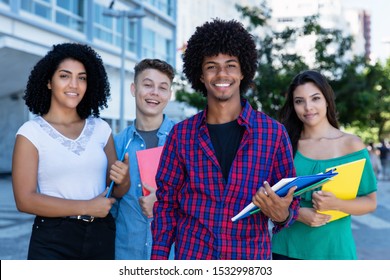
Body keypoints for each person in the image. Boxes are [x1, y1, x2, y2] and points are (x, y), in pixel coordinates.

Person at [151, 19, 300, 260]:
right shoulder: (181, 135)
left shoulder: (273, 134)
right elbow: (166, 205)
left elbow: (291, 202)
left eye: (231, 65)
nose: (222, 74)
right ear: (200, 75)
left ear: (243, 71)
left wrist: (282, 214)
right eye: (212, 66)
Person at [12, 42, 130, 260]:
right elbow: (24, 200)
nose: (74, 85)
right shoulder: (30, 133)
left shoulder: (101, 129)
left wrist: (123, 180)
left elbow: (113, 191)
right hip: (53, 239)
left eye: (82, 77)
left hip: (100, 235)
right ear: (49, 81)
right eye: (65, 76)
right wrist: (86, 207)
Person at [273, 70, 377, 260]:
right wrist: (297, 214)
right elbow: (268, 197)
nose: (308, 107)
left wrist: (337, 204)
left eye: (315, 98)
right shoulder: (284, 144)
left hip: (334, 253)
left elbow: (370, 201)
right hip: (285, 250)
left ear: (327, 100)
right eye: (299, 101)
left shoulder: (352, 145)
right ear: (293, 106)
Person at [112, 58, 176, 259]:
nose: (154, 92)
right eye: (147, 85)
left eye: (162, 88)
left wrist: (163, 201)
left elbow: (201, 198)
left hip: (172, 256)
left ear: (169, 95)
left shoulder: (183, 140)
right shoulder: (116, 143)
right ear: (133, 89)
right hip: (126, 255)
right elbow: (110, 205)